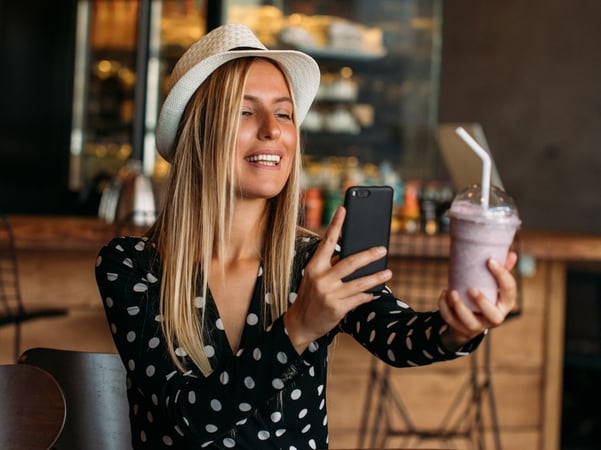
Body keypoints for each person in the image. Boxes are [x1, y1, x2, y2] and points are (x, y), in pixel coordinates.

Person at [95, 23, 518, 450]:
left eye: (284, 113)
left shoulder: (313, 261)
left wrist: (458, 327)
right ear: (199, 133)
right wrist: (299, 326)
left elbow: (399, 336)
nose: (272, 130)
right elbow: (189, 417)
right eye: (245, 111)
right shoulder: (132, 266)